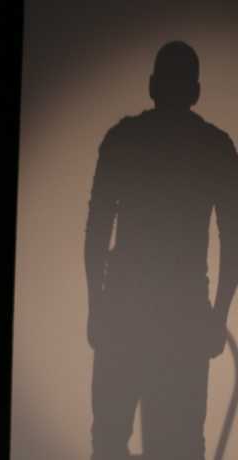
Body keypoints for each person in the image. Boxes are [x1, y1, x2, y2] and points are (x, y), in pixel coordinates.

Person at [85, 41, 238, 460]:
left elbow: (97, 232)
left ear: (152, 85)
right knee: (179, 446)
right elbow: (233, 241)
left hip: (124, 313)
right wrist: (216, 316)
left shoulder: (122, 140)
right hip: (183, 320)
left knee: (110, 442)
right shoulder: (216, 148)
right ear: (196, 92)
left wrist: (96, 305)